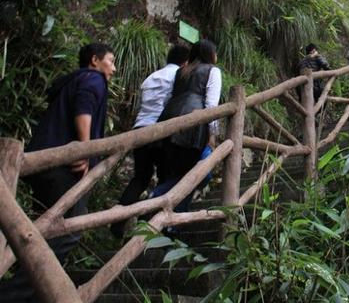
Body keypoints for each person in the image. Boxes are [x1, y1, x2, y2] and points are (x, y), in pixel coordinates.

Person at [0, 43, 116, 303]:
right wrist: (84, 149)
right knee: (69, 229)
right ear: (95, 60)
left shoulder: (70, 81)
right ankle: (12, 296)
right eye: (110, 61)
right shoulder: (93, 79)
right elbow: (84, 108)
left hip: (42, 163)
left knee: (42, 231)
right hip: (63, 166)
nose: (114, 68)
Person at [110, 44, 190, 238]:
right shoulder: (179, 76)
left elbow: (142, 105)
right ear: (186, 62)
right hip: (162, 130)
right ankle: (150, 227)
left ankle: (117, 222)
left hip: (141, 129)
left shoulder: (151, 77)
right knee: (166, 177)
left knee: (140, 178)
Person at [154, 40, 222, 212]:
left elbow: (167, 98)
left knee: (176, 173)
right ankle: (155, 202)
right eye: (215, 52)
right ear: (210, 54)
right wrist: (212, 135)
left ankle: (162, 212)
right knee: (194, 175)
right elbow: (211, 106)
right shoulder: (212, 71)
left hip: (168, 121)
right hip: (192, 128)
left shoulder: (181, 71)